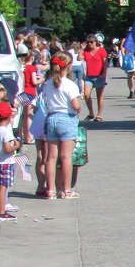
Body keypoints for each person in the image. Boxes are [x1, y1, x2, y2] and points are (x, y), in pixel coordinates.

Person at [39, 53, 86, 199]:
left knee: (51, 157)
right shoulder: (69, 84)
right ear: (69, 66)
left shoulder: (47, 83)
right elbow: (75, 105)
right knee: (66, 157)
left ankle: (51, 189)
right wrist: (79, 107)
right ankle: (66, 190)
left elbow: (45, 102)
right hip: (67, 118)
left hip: (51, 118)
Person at [0, 97, 20, 221]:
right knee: (3, 188)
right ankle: (1, 212)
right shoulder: (6, 132)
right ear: (8, 117)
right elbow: (7, 148)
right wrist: (16, 145)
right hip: (6, 163)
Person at [81, 38, 107, 120]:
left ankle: (99, 115)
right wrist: (82, 49)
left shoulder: (101, 50)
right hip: (89, 76)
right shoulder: (86, 51)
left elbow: (105, 63)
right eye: (88, 42)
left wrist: (104, 74)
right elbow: (79, 58)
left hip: (99, 76)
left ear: (96, 42)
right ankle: (91, 113)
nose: (89, 44)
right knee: (86, 94)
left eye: (91, 42)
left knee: (99, 96)